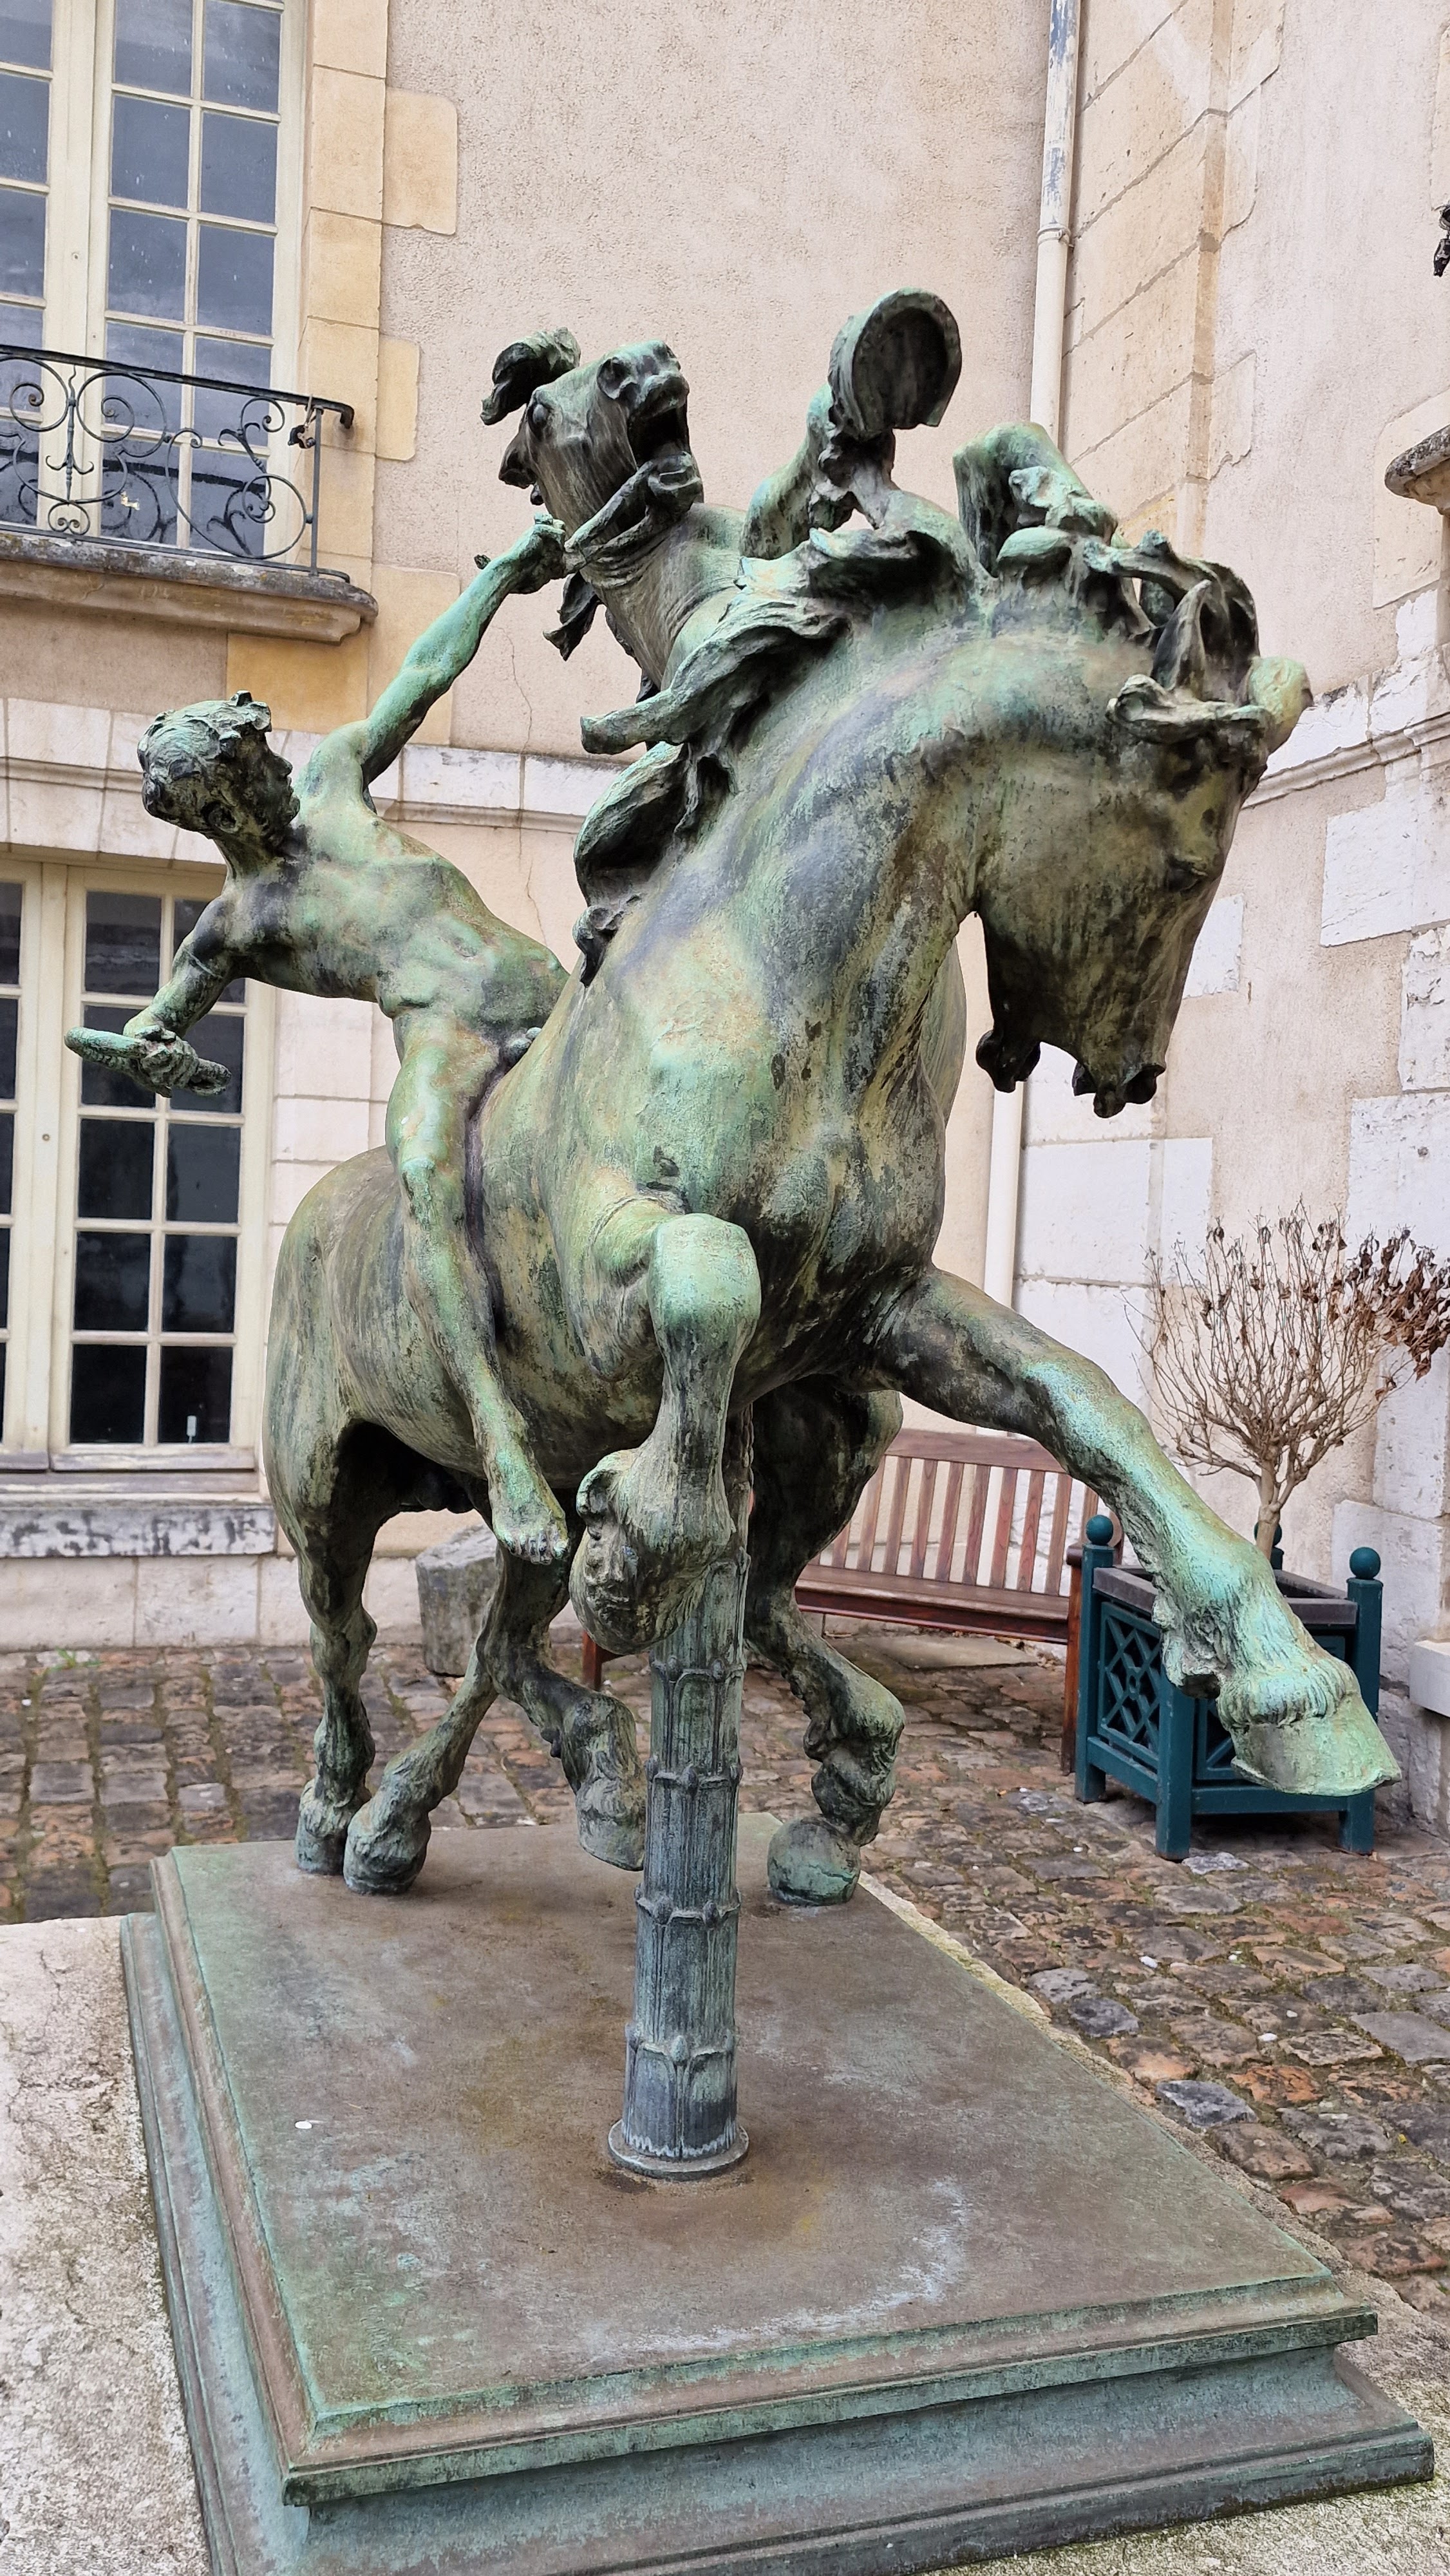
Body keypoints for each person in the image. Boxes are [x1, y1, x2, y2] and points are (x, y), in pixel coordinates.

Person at [66, 518, 572, 1564]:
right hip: (447, 1040)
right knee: (425, 1170)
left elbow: (421, 675)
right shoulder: (237, 925)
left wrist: (506, 578)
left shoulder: (334, 777)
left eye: (258, 754)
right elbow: (158, 1022)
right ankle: (503, 1443)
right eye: (248, 769)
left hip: (546, 988)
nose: (272, 770)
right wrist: (155, 1049)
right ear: (213, 809)